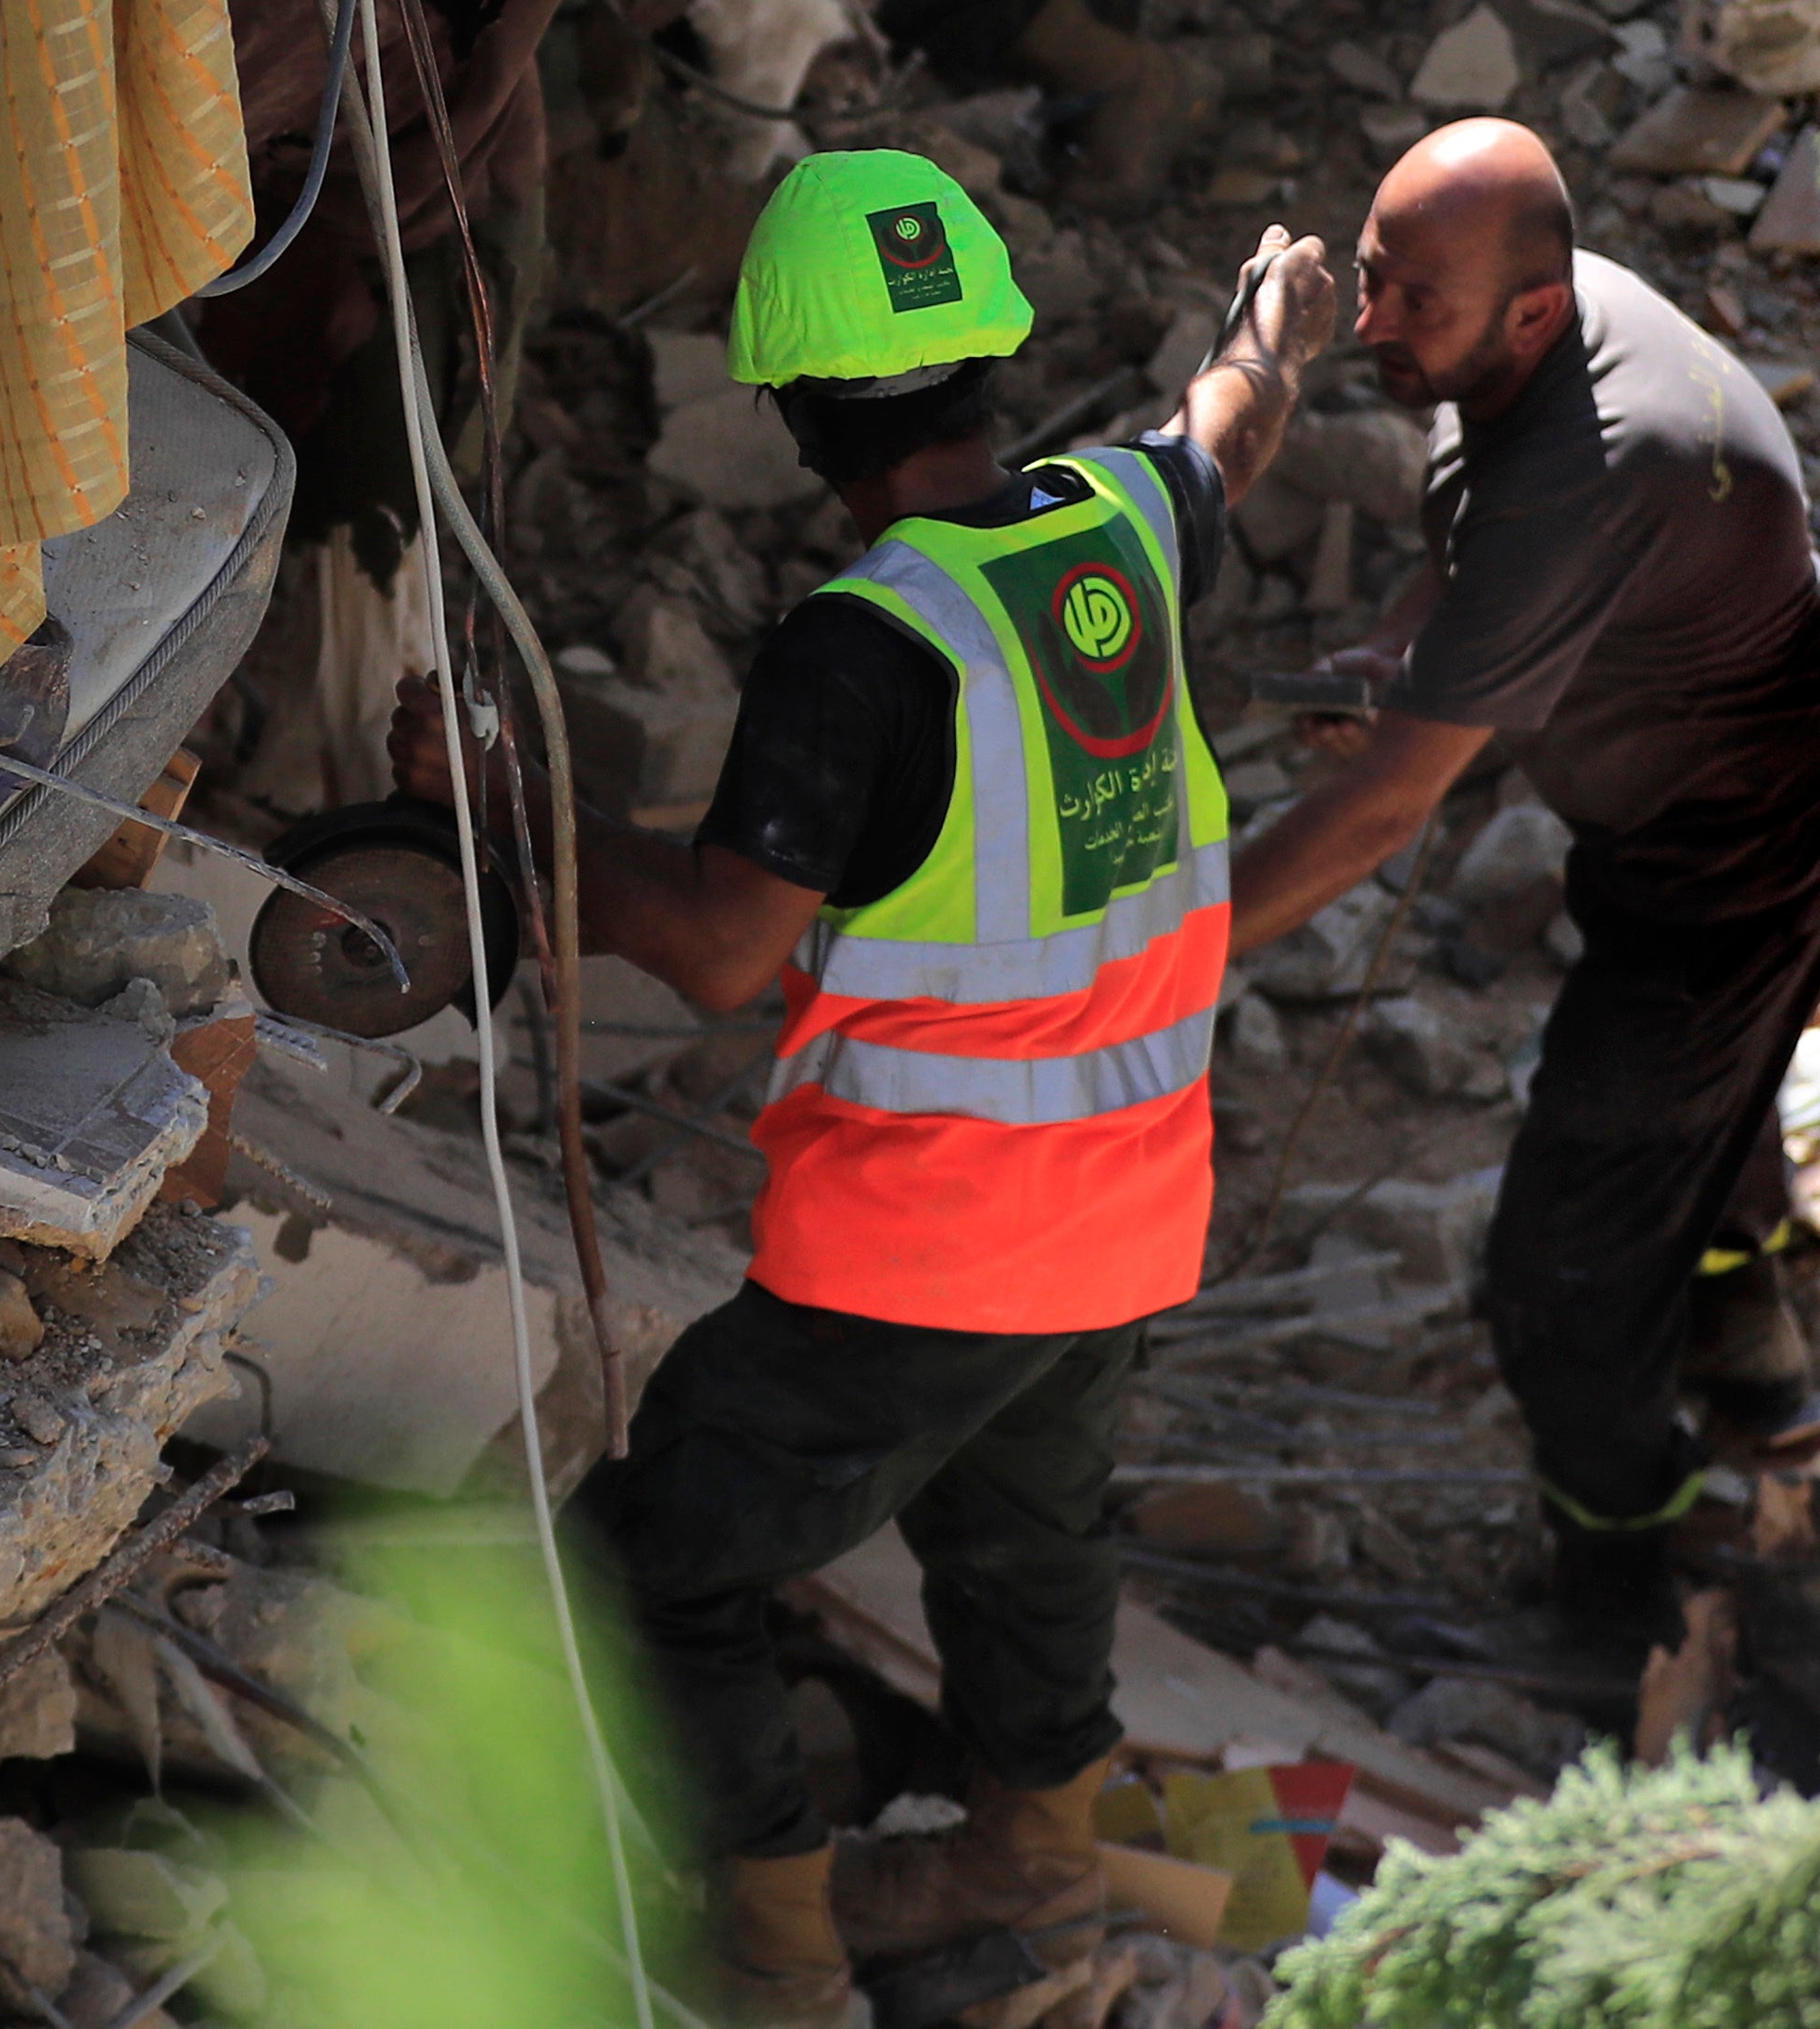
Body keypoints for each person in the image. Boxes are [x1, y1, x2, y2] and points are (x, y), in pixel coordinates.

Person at [399, 150, 1343, 2026]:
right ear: (994, 355)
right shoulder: (1120, 529)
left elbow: (730, 953)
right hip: (1129, 1224)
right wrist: (1275, 330)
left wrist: (515, 810)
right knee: (1026, 1543)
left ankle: (775, 1955)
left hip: (912, 1251)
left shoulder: (869, 644)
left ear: (796, 406)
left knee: (651, 1566)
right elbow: (1219, 432)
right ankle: (1033, 1866)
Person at [1225, 121, 1820, 1651]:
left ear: (1534, 307)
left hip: (1742, 854)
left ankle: (1624, 1566)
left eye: (1415, 302)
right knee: (1702, 1097)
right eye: (1373, 278)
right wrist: (1403, 653)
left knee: (1562, 1268)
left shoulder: (1591, 463)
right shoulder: (1544, 320)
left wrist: (1157, 957)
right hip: (1732, 780)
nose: (1376, 325)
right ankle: (1740, 1321)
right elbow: (1477, 553)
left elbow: (1382, 805)